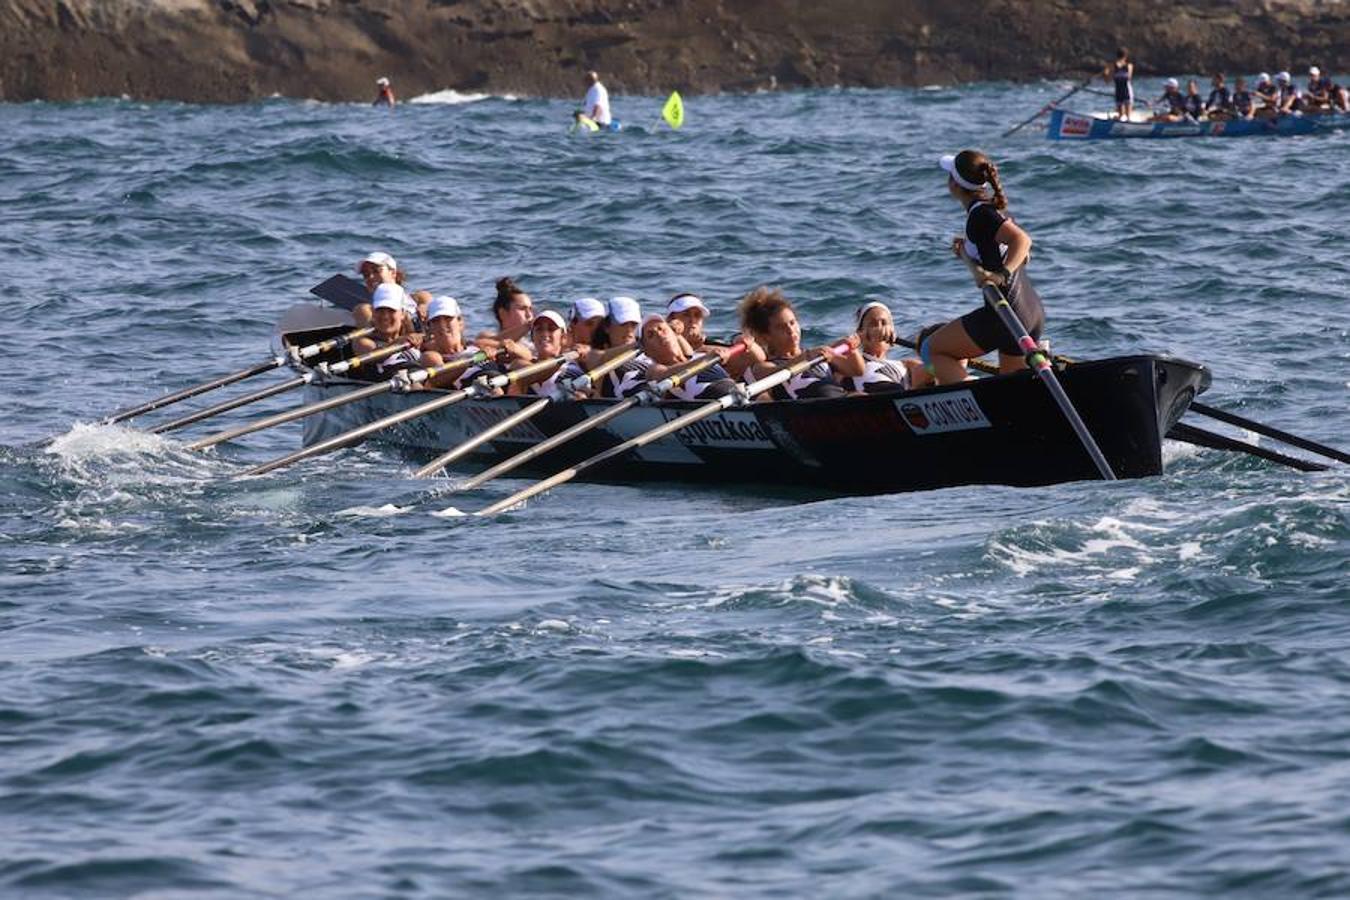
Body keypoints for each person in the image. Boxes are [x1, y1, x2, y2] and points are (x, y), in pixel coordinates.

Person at [921, 150, 1045, 386]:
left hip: (1004, 315)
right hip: (1030, 312)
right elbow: (1022, 256)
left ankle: (970, 396)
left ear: (954, 184)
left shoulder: (981, 215)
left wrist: (1001, 274)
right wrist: (969, 252)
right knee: (1010, 390)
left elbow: (1023, 241)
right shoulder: (995, 209)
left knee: (931, 350)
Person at [738, 287, 863, 400]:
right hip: (808, 412)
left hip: (842, 402)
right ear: (766, 336)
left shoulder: (820, 357)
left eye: (792, 323)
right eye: (781, 327)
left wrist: (851, 349)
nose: (791, 330)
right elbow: (776, 372)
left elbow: (857, 370)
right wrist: (806, 357)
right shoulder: (764, 367)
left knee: (860, 396)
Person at [638, 315, 739, 401]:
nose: (659, 334)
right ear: (646, 351)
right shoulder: (654, 369)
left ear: (674, 334)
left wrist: (742, 340)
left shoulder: (699, 355)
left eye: (662, 329)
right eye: (651, 335)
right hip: (717, 403)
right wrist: (706, 358)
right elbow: (664, 375)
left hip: (737, 396)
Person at [665, 292, 761, 379]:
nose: (692, 320)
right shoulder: (661, 348)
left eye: (697, 315)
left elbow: (757, 358)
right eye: (685, 314)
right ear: (670, 319)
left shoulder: (711, 347)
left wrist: (743, 341)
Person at [418, 296, 495, 390]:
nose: (442, 324)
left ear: (460, 322)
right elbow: (438, 380)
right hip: (473, 389)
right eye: (435, 321)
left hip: (496, 379)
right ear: (430, 327)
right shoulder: (431, 356)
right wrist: (470, 360)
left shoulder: (478, 345)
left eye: (447, 318)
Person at [348, 284, 422, 380]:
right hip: (390, 381)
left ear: (403, 314)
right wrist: (395, 344)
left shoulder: (412, 335)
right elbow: (374, 357)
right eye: (380, 310)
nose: (385, 316)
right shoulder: (363, 342)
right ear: (373, 313)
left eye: (391, 310)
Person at [508, 311, 586, 398]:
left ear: (563, 338)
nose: (544, 334)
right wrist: (566, 357)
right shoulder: (518, 364)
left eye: (551, 329)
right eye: (539, 329)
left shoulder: (572, 369)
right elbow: (537, 374)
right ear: (532, 337)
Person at [847, 302, 915, 394]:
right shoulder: (851, 364)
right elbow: (831, 356)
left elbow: (932, 369)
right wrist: (852, 343)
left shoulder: (907, 365)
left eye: (884, 323)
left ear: (892, 332)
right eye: (873, 324)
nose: (880, 329)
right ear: (860, 332)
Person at [590, 297, 648, 397]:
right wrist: (644, 342)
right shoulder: (595, 356)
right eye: (623, 324)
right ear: (607, 327)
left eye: (634, 324)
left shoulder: (650, 352)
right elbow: (598, 357)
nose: (629, 330)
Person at [1105, 48, 1134, 121]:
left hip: (1118, 91)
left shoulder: (1112, 66)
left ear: (1117, 56)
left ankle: (1118, 118)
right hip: (1127, 91)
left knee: (1121, 114)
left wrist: (1106, 72)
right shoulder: (1129, 66)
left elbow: (1107, 81)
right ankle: (1122, 119)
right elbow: (1129, 78)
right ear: (1126, 56)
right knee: (1127, 116)